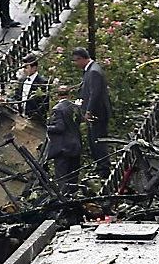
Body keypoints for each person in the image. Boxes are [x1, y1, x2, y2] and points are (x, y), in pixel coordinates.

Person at [72, 47, 112, 177]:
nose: (75, 64)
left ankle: (104, 168)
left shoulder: (94, 71)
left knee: (98, 140)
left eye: (76, 61)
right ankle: (100, 165)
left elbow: (95, 94)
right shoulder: (90, 70)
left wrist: (89, 111)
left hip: (97, 114)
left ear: (82, 58)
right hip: (94, 113)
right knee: (93, 140)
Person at [46, 85, 82, 187]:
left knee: (62, 177)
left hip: (63, 148)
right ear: (69, 95)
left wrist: (46, 128)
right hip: (75, 146)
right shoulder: (75, 107)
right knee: (73, 176)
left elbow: (59, 127)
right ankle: (73, 197)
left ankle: (63, 198)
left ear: (57, 96)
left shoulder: (57, 109)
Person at [14, 53, 49, 123]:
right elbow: (17, 97)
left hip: (35, 121)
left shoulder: (42, 82)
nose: (24, 70)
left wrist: (34, 117)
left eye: (26, 67)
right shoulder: (22, 81)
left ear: (34, 68)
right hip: (21, 118)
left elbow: (44, 104)